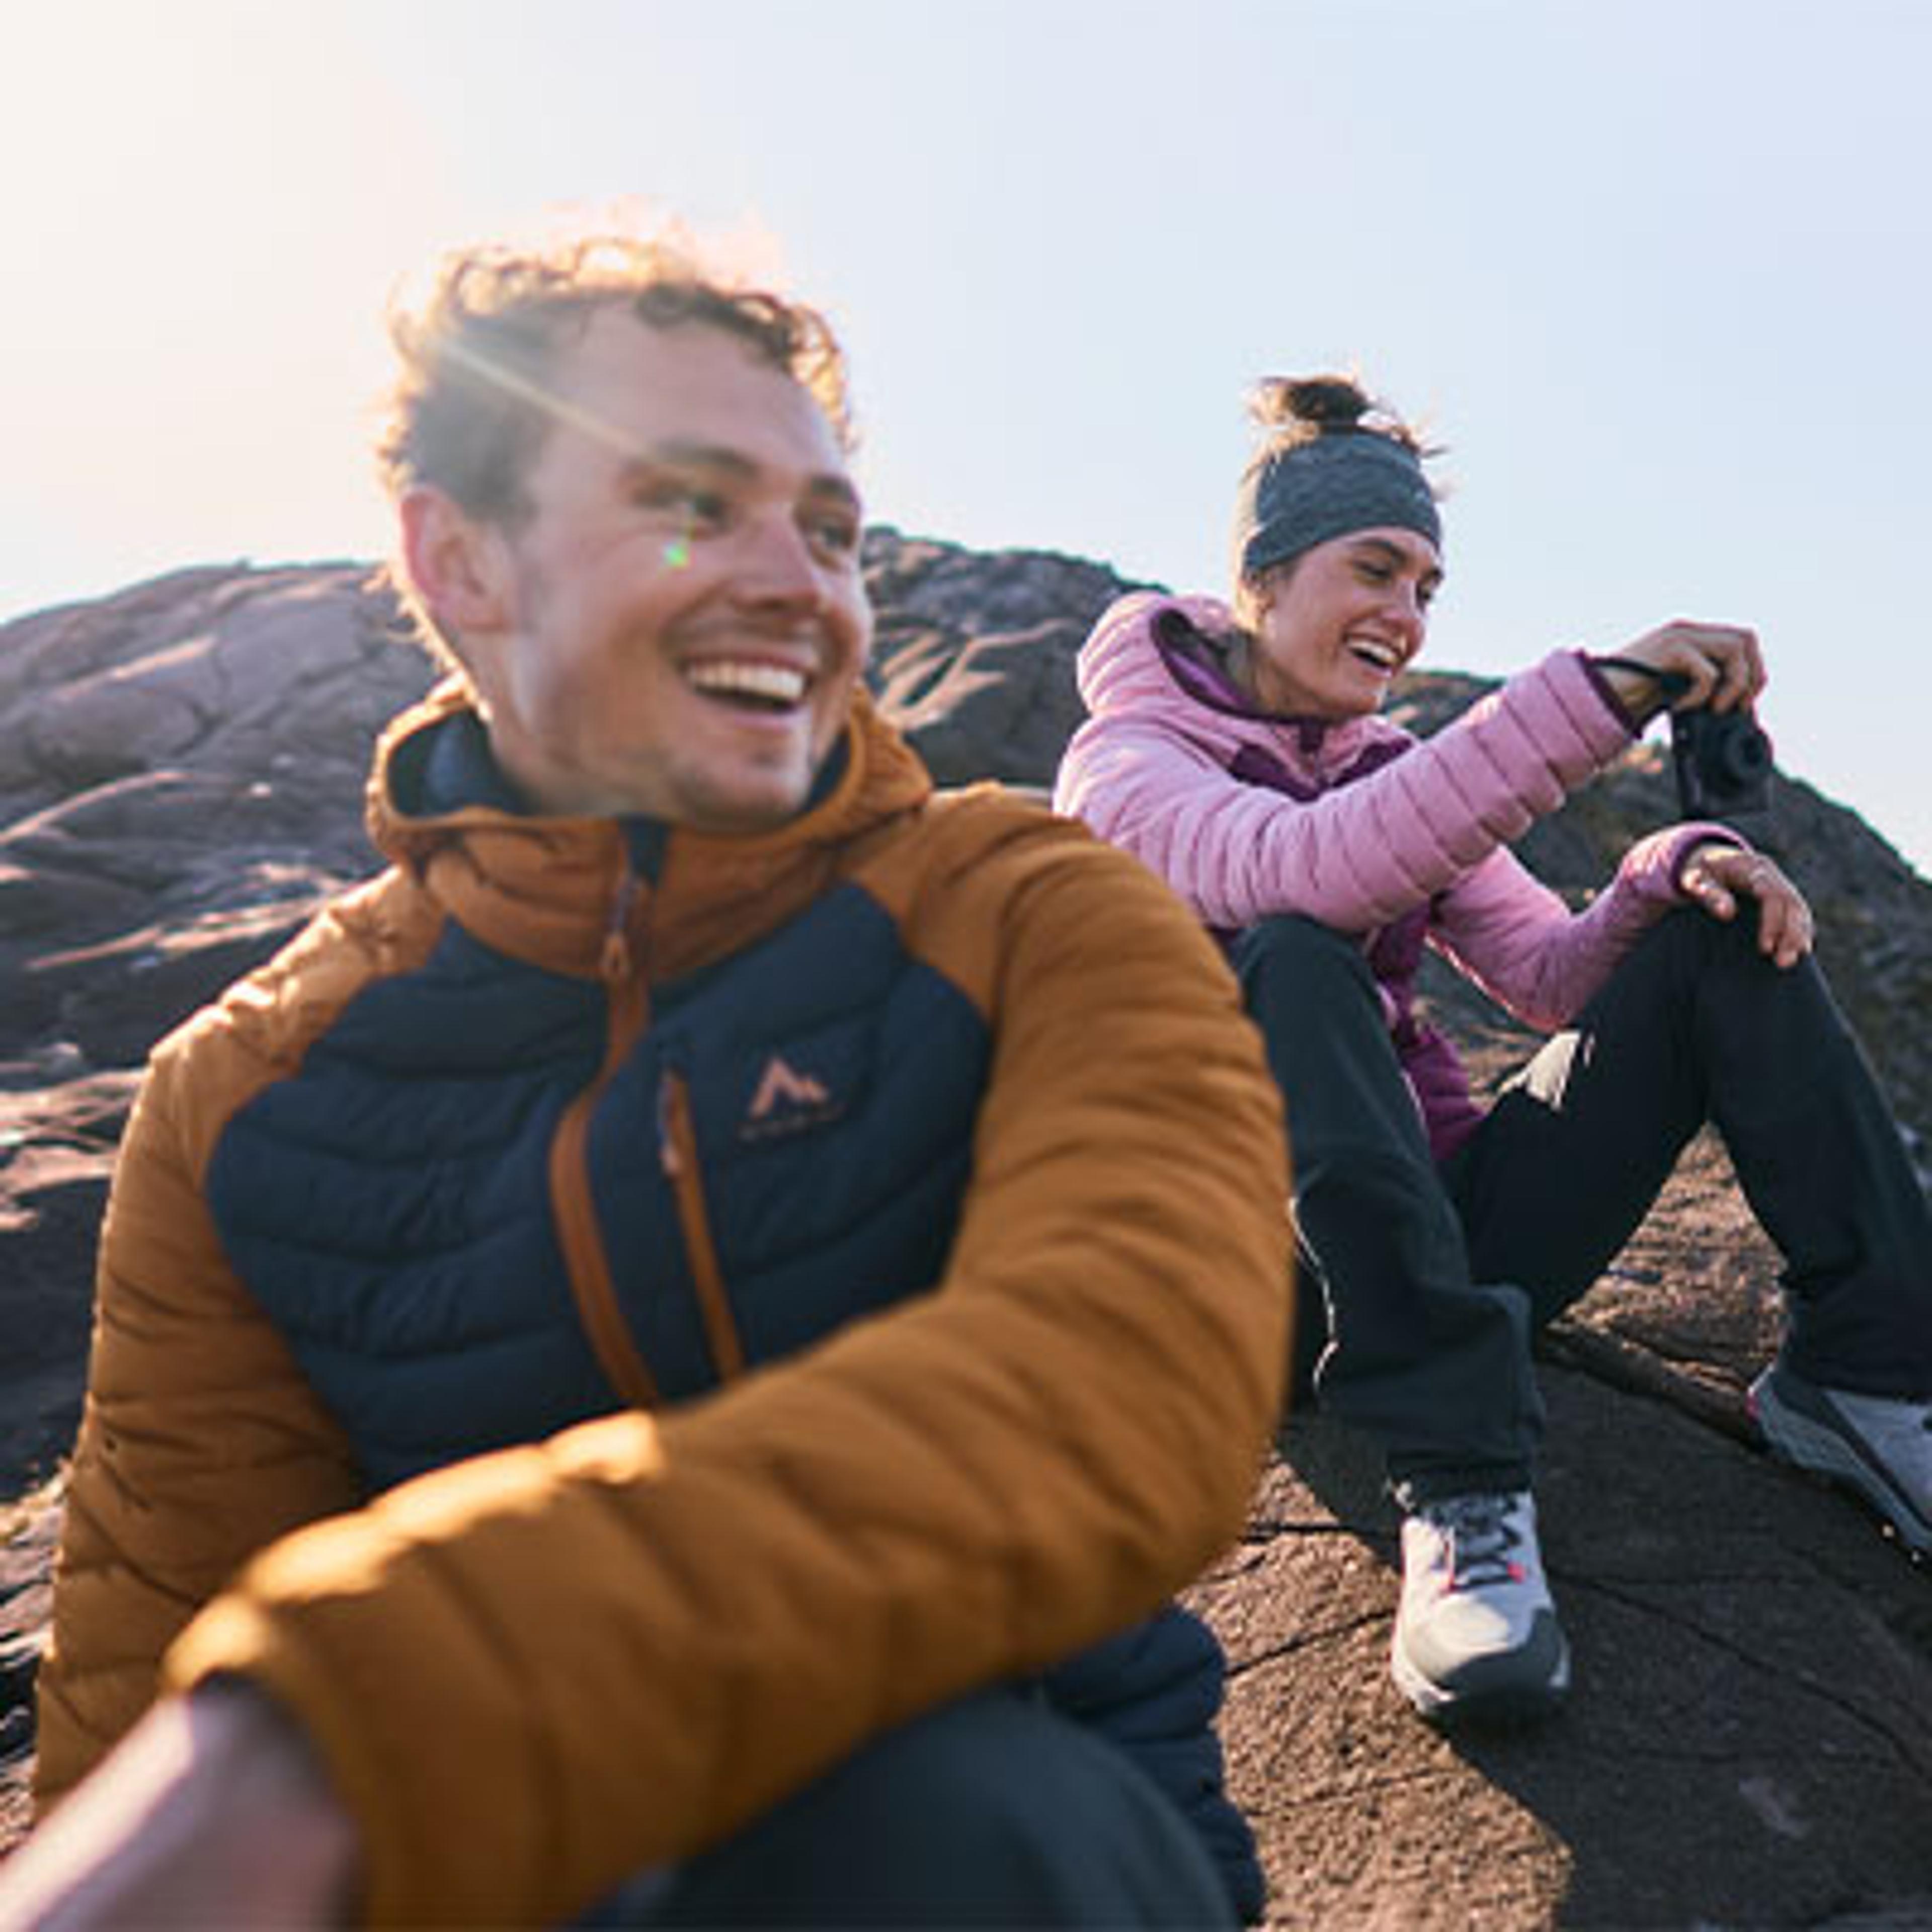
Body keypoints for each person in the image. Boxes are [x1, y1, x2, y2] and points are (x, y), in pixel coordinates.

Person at [0, 233, 1294, 1929]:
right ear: (457, 558)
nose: (802, 583)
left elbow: (1131, 1377)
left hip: (1022, 1848)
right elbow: (148, 1663)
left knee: (936, 1816)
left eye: (827, 530)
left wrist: (368, 1716)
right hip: (502, 1887)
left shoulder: (1027, 906)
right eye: (693, 504)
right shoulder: (241, 1091)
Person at [1053, 374, 1932, 1727]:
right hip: (1255, 1288)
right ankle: (1463, 1493)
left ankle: (1868, 1384)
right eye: (1377, 571)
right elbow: (1305, 872)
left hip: (1451, 1237)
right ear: (1258, 576)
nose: (1405, 619)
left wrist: (1668, 873)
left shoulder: (1377, 762)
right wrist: (1601, 693)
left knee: (1713, 936)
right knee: (1288, 952)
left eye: (1428, 590)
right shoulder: (1125, 772)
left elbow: (1544, 974)